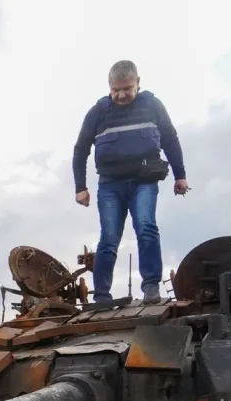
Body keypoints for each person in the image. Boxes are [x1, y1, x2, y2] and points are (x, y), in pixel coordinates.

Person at [72, 60, 189, 304]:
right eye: (116, 90)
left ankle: (151, 288)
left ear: (138, 83)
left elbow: (170, 139)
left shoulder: (152, 106)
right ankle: (102, 295)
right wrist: (80, 188)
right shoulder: (97, 113)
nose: (121, 94)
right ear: (109, 87)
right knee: (109, 238)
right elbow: (81, 149)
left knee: (146, 227)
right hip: (110, 185)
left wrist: (180, 175)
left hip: (143, 181)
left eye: (127, 88)